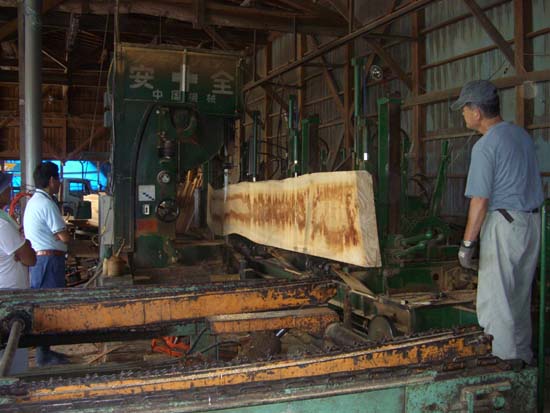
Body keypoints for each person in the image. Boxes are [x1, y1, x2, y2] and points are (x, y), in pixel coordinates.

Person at [452, 80, 544, 364]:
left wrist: (467, 243)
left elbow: (479, 201)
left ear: (476, 111)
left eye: (464, 109)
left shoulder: (485, 146)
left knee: (496, 304)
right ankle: (523, 363)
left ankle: (503, 371)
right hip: (531, 224)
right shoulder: (521, 136)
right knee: (518, 300)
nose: (463, 115)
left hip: (504, 225)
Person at [23, 161, 71, 366]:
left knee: (45, 305)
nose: (59, 183)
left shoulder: (35, 201)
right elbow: (64, 237)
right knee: (48, 307)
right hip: (48, 261)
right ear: (51, 181)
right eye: (58, 179)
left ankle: (46, 351)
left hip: (43, 260)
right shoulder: (46, 204)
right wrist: (69, 234)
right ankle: (44, 355)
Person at [0, 171, 36, 375]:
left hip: (6, 291)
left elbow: (23, 251)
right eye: (6, 189)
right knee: (14, 351)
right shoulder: (3, 225)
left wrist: (23, 248)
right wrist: (24, 247)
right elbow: (30, 258)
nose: (9, 192)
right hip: (10, 296)